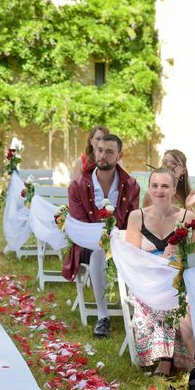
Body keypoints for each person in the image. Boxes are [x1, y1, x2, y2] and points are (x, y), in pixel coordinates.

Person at [62, 133, 140, 338]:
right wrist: (103, 239)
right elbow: (79, 224)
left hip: (122, 244)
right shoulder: (78, 185)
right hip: (87, 245)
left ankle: (140, 309)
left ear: (119, 155)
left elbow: (133, 222)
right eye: (100, 150)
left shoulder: (131, 185)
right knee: (98, 252)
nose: (103, 155)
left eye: (109, 152)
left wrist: (117, 240)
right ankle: (102, 315)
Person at [125, 167, 195, 376]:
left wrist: (178, 255)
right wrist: (159, 259)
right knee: (166, 299)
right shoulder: (136, 217)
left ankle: (193, 362)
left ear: (174, 190)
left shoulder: (187, 216)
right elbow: (133, 260)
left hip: (178, 279)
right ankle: (168, 362)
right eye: (155, 186)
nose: (159, 190)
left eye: (165, 186)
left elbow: (193, 257)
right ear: (149, 189)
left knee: (187, 302)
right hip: (146, 283)